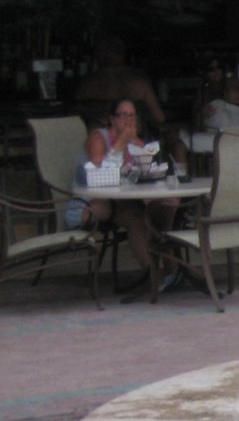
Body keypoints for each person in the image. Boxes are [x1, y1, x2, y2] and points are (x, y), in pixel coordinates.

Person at [70, 98, 184, 289]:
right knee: (137, 218)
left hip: (125, 201)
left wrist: (136, 146)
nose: (128, 120)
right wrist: (122, 141)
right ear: (112, 119)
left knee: (166, 205)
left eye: (131, 115)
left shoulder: (137, 144)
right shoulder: (98, 137)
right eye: (123, 115)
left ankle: (172, 272)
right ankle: (156, 275)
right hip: (93, 202)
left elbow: (146, 173)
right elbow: (102, 173)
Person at [77, 36, 166, 127]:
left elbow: (77, 117)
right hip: (132, 133)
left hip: (99, 134)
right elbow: (159, 118)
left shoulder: (87, 84)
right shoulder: (139, 82)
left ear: (98, 56)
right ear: (122, 55)